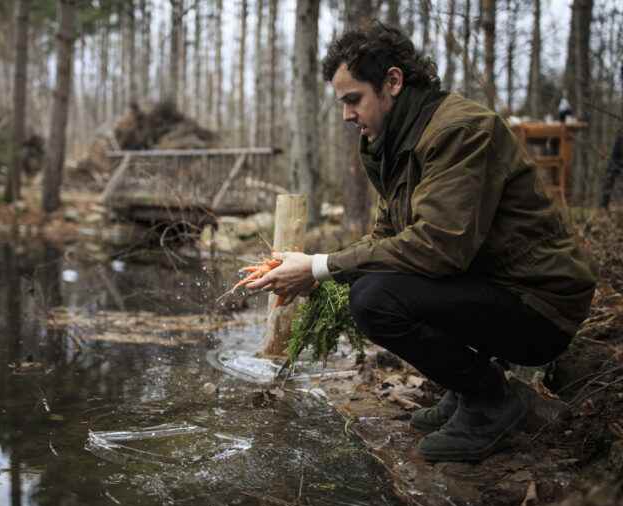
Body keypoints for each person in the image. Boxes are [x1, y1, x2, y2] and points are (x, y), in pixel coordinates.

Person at [247, 22, 597, 463]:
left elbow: (437, 246)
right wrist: (318, 272)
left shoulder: (460, 131)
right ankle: (466, 385)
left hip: (541, 306)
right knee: (373, 282)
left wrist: (321, 265)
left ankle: (491, 401)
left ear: (392, 82)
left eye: (353, 100)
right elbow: (388, 237)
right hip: (493, 286)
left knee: (373, 298)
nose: (346, 115)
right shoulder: (391, 143)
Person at [599, 130, 623, 209]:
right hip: (617, 159)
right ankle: (603, 205)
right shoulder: (620, 138)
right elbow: (614, 156)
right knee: (609, 176)